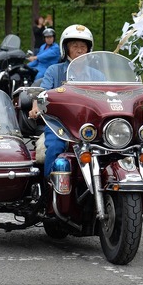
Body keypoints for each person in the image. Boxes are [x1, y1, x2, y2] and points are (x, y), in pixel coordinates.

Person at [28, 24, 93, 178]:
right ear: (66, 48)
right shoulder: (54, 70)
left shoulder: (96, 74)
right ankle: (50, 193)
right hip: (59, 124)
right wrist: (36, 107)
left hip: (89, 125)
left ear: (89, 49)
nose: (79, 50)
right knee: (54, 148)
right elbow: (42, 93)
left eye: (83, 46)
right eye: (75, 46)